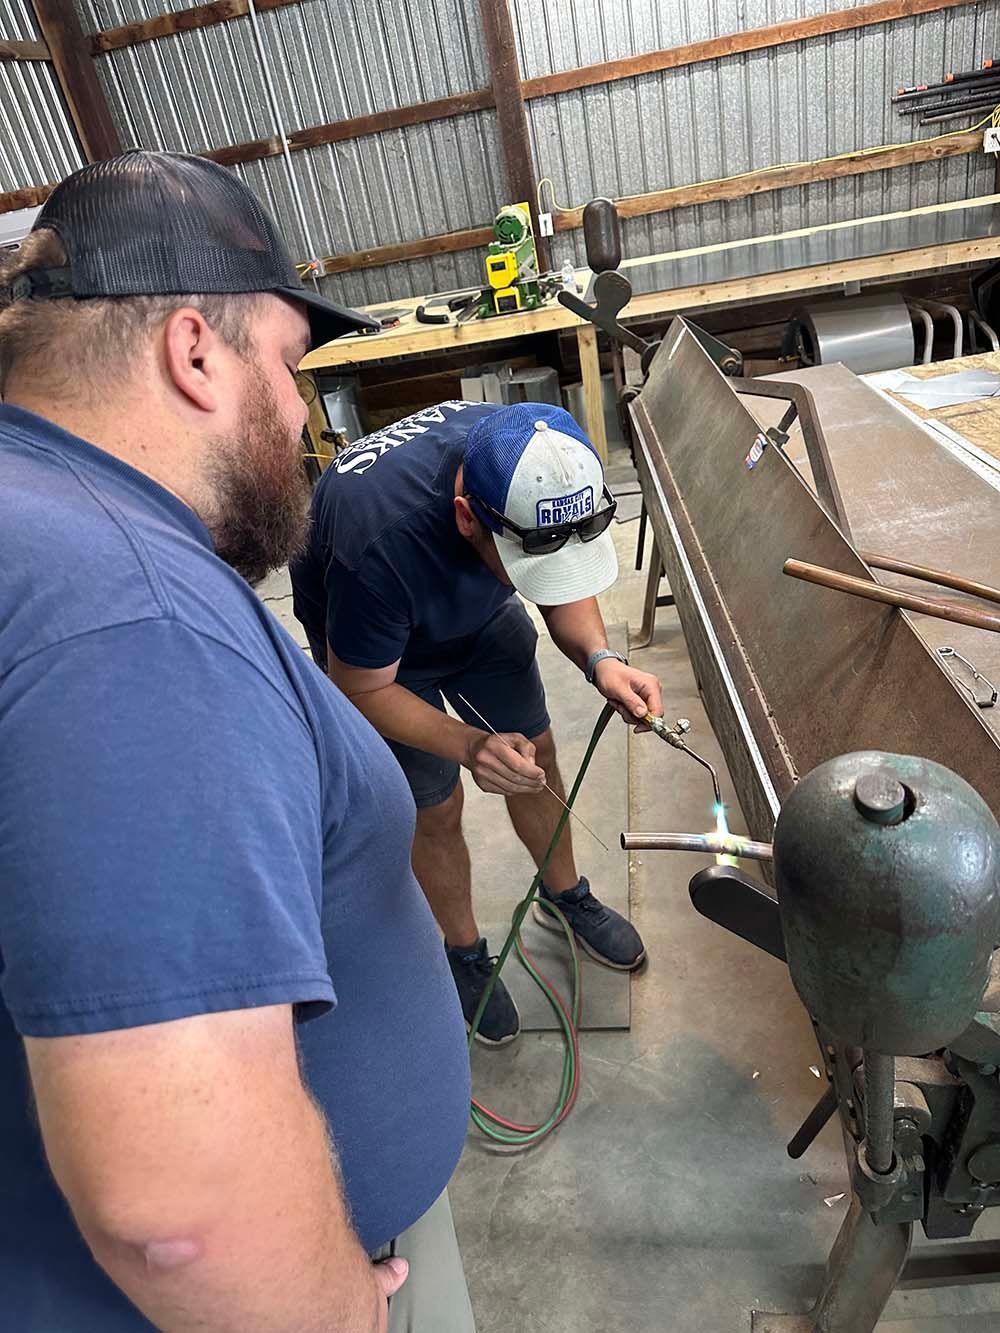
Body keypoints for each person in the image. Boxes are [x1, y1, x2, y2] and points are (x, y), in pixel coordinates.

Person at [0, 150, 475, 1333]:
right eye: (291, 366)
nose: (302, 413)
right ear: (197, 350)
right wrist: (330, 1310)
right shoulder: (128, 616)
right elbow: (181, 1210)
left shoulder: (38, 526)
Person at [291, 400, 663, 1045]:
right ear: (468, 519)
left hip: (479, 617)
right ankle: (462, 951)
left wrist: (600, 658)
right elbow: (363, 687)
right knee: (433, 804)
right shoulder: (376, 537)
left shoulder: (532, 453)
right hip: (378, 655)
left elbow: (561, 567)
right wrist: (469, 745)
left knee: (537, 761)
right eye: (527, 557)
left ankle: (563, 893)